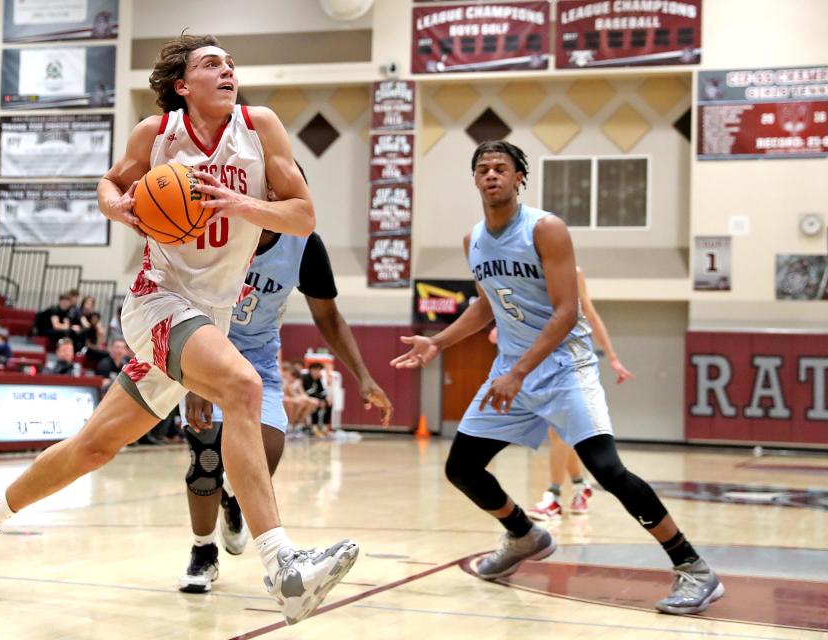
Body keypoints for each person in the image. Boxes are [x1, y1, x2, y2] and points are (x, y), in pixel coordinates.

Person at [0, 33, 358, 627]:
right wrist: (118, 207)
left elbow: (304, 215)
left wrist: (240, 206)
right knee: (243, 387)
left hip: (209, 316)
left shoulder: (260, 127)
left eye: (231, 63)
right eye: (213, 64)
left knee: (94, 447)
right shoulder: (156, 135)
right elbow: (110, 185)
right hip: (155, 301)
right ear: (183, 86)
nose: (228, 70)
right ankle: (284, 568)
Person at [391, 140, 723, 615]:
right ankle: (524, 534)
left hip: (565, 367)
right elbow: (487, 304)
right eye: (482, 169)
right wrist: (438, 342)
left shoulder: (546, 229)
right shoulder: (474, 241)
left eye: (500, 168)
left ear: (520, 177)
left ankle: (694, 568)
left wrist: (521, 370)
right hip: (511, 370)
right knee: (462, 468)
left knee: (607, 470)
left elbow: (568, 312)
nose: (490, 176)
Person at [178, 201, 393, 593]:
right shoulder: (221, 228)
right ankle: (203, 552)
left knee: (266, 454)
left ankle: (236, 502)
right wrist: (194, 381)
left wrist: (363, 376)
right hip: (205, 354)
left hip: (258, 364)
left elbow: (328, 317)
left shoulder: (304, 245)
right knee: (206, 457)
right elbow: (189, 301)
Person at [485, 268, 635, 520]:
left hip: (567, 364)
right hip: (537, 364)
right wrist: (503, 328)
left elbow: (589, 312)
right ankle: (580, 484)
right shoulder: (520, 268)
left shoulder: (571, 273)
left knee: (560, 435)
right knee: (560, 435)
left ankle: (553, 496)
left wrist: (613, 357)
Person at [301, 362, 330, 431]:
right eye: (316, 370)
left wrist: (326, 398)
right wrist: (321, 399)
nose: (318, 372)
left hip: (315, 398)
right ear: (311, 370)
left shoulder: (317, 379)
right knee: (317, 402)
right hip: (306, 397)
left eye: (319, 371)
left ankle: (325, 426)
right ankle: (314, 426)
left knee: (329, 403)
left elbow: (322, 391)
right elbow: (309, 392)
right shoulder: (305, 377)